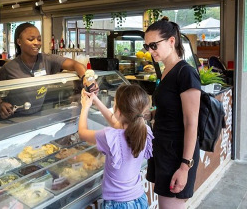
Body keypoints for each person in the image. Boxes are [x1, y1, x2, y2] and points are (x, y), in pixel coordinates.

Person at [144, 17, 201, 209]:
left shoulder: (185, 72)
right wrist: (150, 115)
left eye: (154, 45)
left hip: (177, 154)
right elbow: (170, 110)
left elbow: (191, 122)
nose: (150, 51)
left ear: (171, 41)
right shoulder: (166, 70)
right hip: (163, 149)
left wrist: (185, 166)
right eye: (147, 47)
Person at [0, 23, 98, 119]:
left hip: (38, 114)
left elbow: (75, 64)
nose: (36, 43)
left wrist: (88, 79)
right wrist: (0, 104)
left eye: (39, 39)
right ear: (19, 42)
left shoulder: (47, 59)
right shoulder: (9, 67)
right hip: (15, 117)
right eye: (31, 39)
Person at [79, 84, 154, 208]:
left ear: (118, 111)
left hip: (117, 204)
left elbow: (82, 133)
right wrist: (95, 100)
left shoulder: (110, 137)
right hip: (139, 199)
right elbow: (115, 122)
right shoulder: (144, 130)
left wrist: (85, 107)